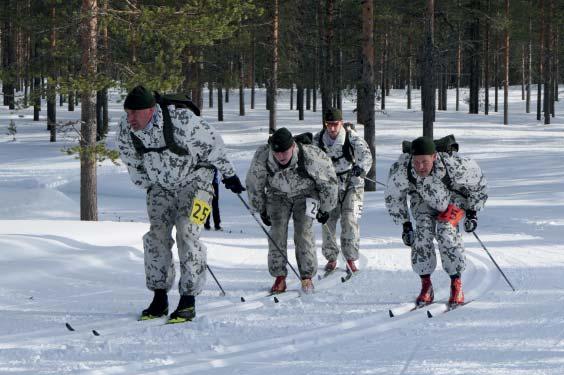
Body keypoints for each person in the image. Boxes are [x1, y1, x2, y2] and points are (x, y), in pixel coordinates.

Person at [117, 85, 245, 323]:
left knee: (188, 233)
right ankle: (159, 297)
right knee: (156, 237)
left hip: (197, 185)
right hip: (160, 187)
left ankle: (188, 300)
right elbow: (132, 162)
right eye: (128, 112)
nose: (130, 118)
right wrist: (150, 185)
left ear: (151, 109)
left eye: (135, 112)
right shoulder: (126, 130)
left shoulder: (182, 121)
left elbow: (214, 145)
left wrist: (229, 175)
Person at [385, 136, 487, 306]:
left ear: (434, 157)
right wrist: (405, 225)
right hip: (423, 200)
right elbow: (393, 197)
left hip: (453, 198)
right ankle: (426, 285)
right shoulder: (403, 170)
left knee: (445, 231)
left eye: (424, 162)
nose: (420, 167)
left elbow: (479, 183)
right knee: (422, 235)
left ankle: (456, 283)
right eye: (416, 162)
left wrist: (472, 212)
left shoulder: (455, 166)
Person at [245, 127, 338, 294]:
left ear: (293, 146)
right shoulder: (263, 155)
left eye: (285, 152)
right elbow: (254, 183)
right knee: (276, 233)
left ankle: (307, 277)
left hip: (307, 194)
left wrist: (325, 208)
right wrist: (261, 208)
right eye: (277, 152)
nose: (281, 156)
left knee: (303, 231)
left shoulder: (311, 156)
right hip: (277, 194)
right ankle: (279, 277)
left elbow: (329, 182)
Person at [313, 108, 373, 274]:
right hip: (328, 185)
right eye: (329, 125)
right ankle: (331, 257)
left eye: (335, 124)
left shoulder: (351, 137)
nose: (332, 129)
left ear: (341, 123)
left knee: (349, 220)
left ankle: (350, 258)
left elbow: (366, 156)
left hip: (351, 183)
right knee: (327, 221)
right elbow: (309, 160)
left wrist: (361, 168)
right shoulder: (317, 140)